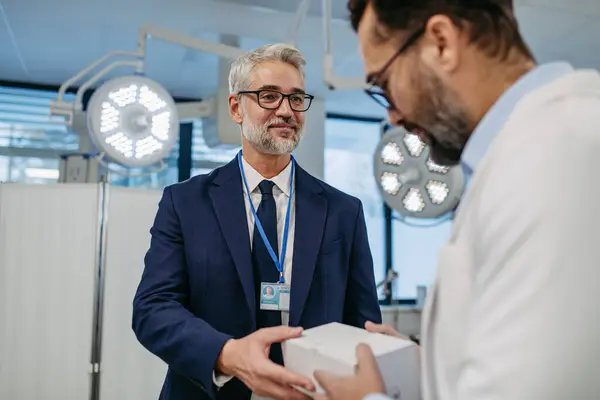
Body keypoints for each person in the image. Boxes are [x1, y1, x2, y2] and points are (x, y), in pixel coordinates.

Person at [313, 0, 600, 399]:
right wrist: (433, 366)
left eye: (383, 84)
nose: (392, 117)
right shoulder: (523, 153)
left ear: (442, 43)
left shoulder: (556, 157)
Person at [132, 43, 382, 400]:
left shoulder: (344, 211)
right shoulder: (185, 202)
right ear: (236, 107)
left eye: (296, 99)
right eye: (268, 96)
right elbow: (152, 309)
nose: (286, 110)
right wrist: (227, 355)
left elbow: (362, 323)